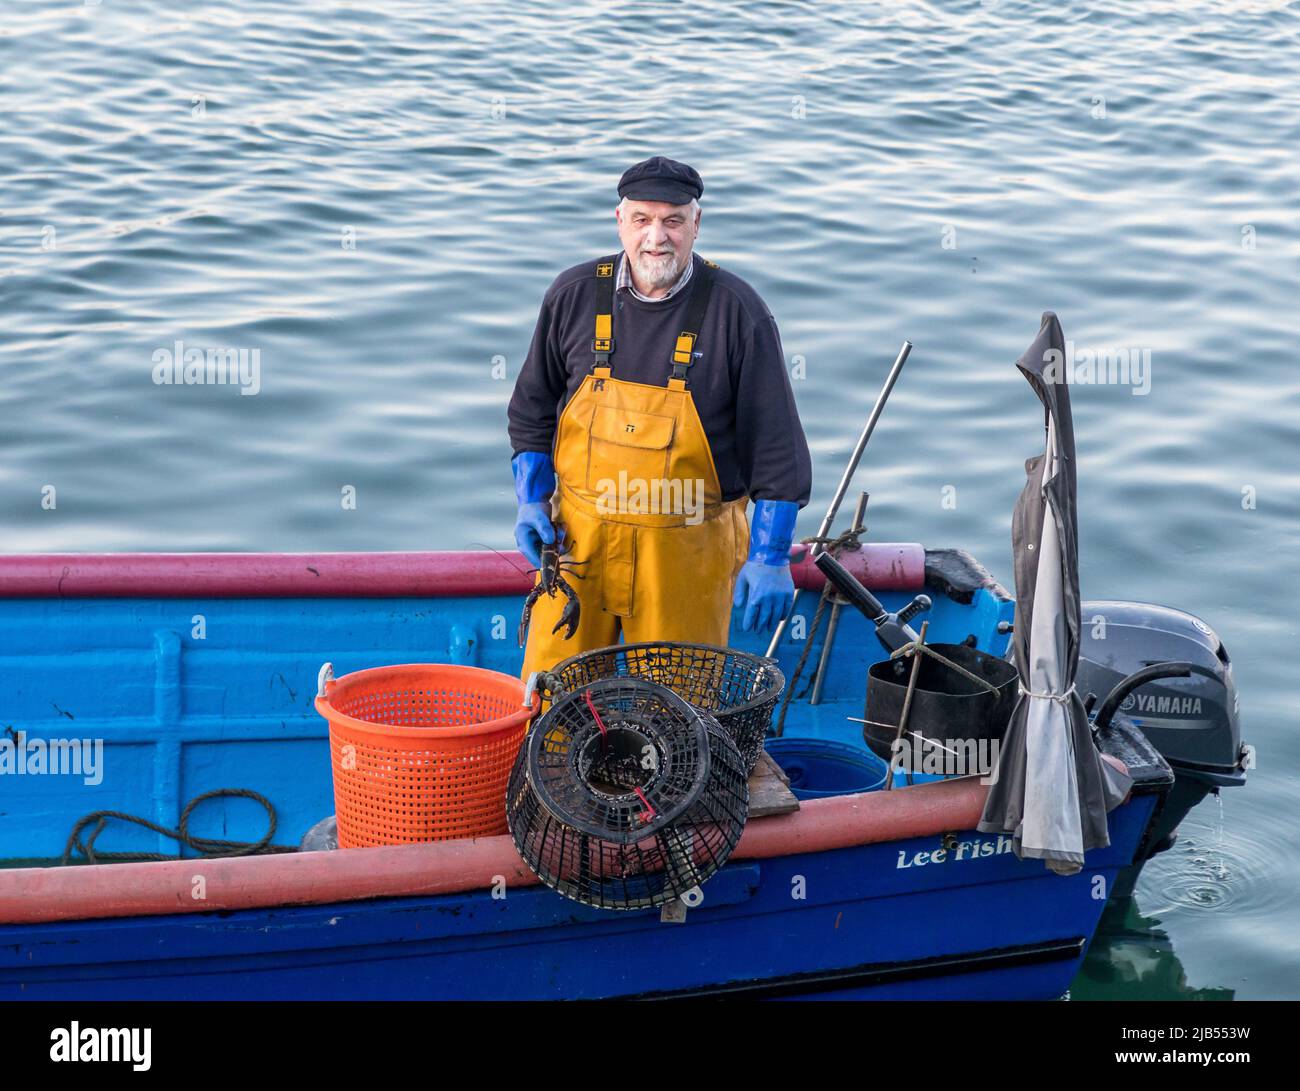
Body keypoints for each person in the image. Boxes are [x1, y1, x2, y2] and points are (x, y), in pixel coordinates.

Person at [508, 156, 812, 681]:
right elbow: (531, 412)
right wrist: (531, 500)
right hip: (577, 545)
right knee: (552, 700)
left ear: (697, 224)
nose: (657, 237)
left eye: (673, 220)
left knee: (679, 707)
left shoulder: (738, 311)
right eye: (642, 219)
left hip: (687, 548)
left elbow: (777, 450)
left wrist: (771, 555)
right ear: (619, 221)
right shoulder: (573, 294)